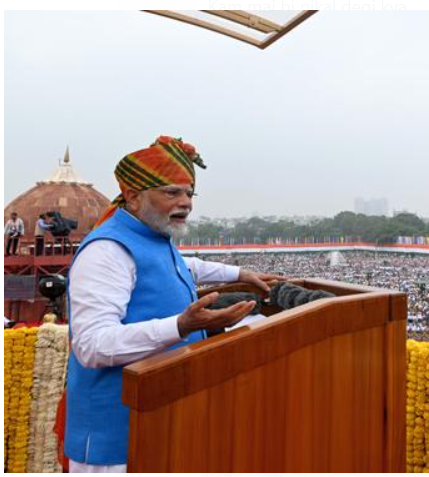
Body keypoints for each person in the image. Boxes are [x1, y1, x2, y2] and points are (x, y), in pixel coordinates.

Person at [62, 136, 283, 473]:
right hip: (118, 443)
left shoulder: (151, 238)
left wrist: (241, 272)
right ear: (134, 197)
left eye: (189, 193)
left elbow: (185, 265)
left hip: (165, 426)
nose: (186, 202)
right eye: (172, 192)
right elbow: (92, 346)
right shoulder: (107, 251)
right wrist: (180, 326)